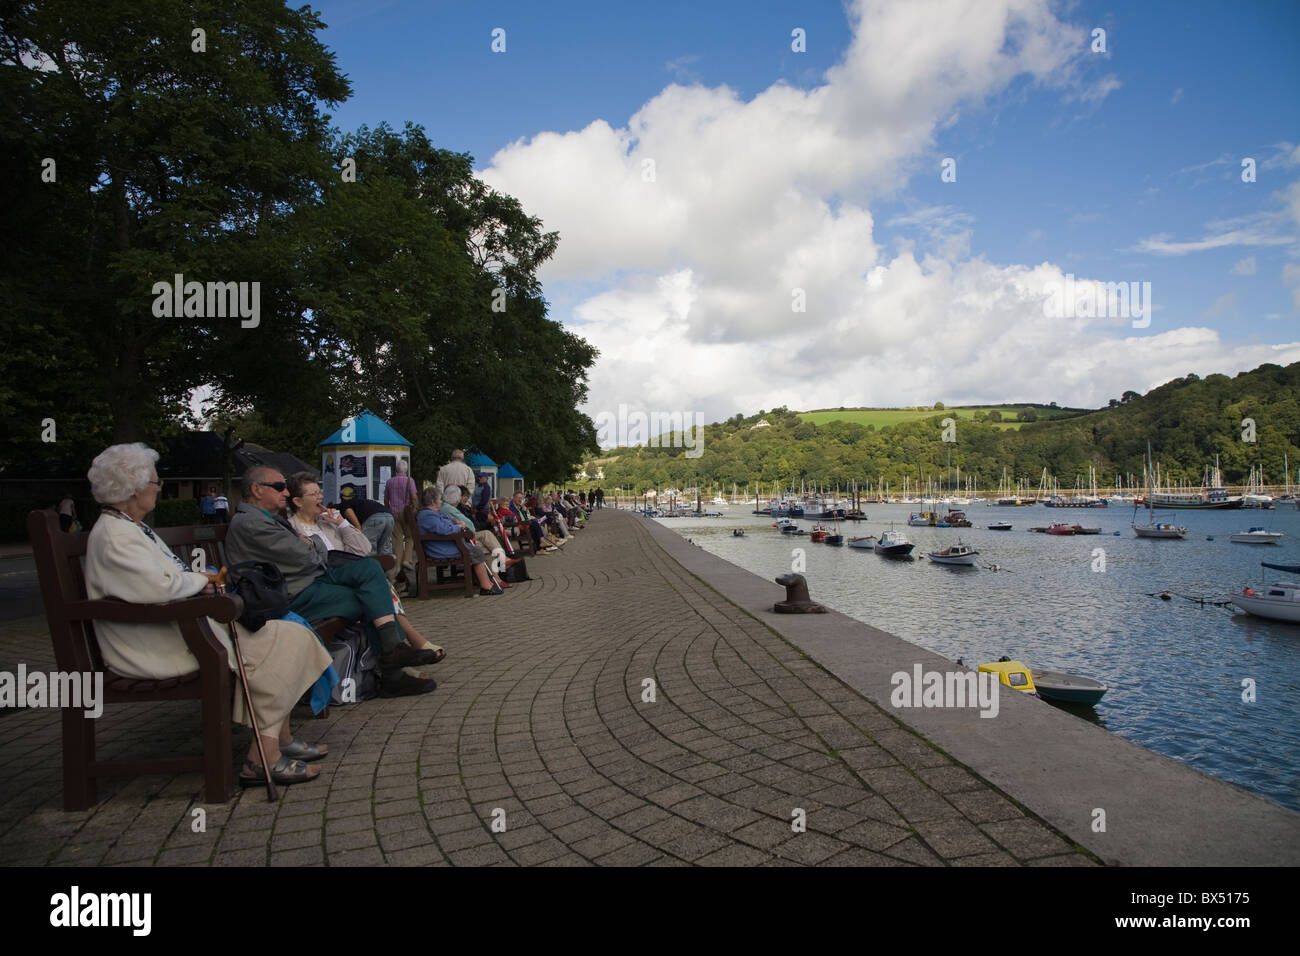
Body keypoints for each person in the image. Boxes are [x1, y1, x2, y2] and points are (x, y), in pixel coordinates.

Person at [84, 444, 333, 787]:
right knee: (284, 642)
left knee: (293, 635)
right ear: (133, 488)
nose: (158, 487)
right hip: (156, 644)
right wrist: (201, 580)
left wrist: (197, 583)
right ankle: (264, 757)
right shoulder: (116, 535)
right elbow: (159, 586)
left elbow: (164, 581)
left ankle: (279, 739)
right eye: (155, 482)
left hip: (177, 629)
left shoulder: (129, 527)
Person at [225, 466, 435, 697]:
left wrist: (319, 537)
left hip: (311, 579)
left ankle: (393, 653)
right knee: (370, 597)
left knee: (370, 568)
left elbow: (325, 551)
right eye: (278, 487)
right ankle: (393, 669)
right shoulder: (252, 523)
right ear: (256, 490)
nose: (284, 493)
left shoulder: (267, 519)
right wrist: (313, 542)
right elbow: (304, 557)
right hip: (290, 594)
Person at [284, 473, 444, 667]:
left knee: (375, 585)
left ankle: (399, 653)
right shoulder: (291, 529)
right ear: (298, 501)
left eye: (320, 492)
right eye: (314, 494)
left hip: (349, 576)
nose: (320, 497)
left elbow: (364, 548)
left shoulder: (327, 524)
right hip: (325, 582)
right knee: (374, 589)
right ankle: (406, 645)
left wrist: (342, 523)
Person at [417, 487, 504, 594]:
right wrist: (458, 527)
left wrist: (456, 523)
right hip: (440, 549)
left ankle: (487, 583)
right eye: (440, 499)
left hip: (442, 545)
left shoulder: (432, 513)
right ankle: (486, 585)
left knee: (475, 549)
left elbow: (447, 522)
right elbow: (444, 530)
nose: (441, 501)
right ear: (432, 501)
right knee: (475, 551)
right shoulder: (428, 516)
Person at [384, 459, 419, 585]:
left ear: (396, 469)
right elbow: (414, 497)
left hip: (393, 513)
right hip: (406, 513)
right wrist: (414, 509)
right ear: (406, 469)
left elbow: (386, 499)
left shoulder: (389, 482)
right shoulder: (410, 481)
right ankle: (407, 559)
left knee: (397, 539)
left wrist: (388, 510)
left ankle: (397, 565)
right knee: (410, 536)